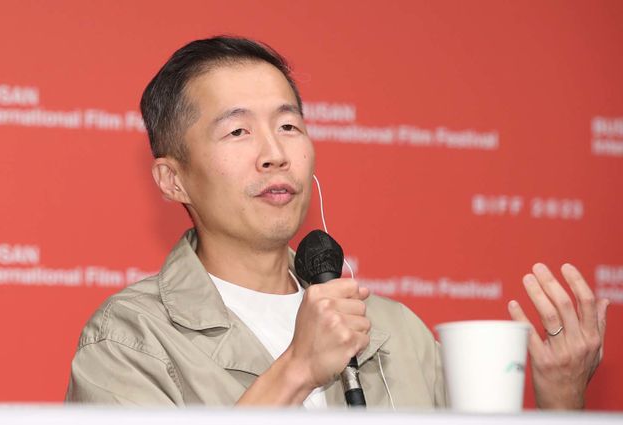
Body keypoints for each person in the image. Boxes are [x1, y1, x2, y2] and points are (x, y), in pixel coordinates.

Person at [65, 36, 608, 409]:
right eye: (238, 132)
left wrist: (561, 400)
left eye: (289, 126)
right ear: (173, 180)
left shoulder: (395, 332)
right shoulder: (130, 341)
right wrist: (297, 369)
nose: (275, 154)